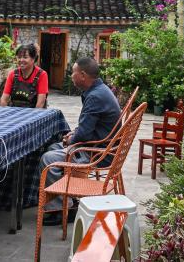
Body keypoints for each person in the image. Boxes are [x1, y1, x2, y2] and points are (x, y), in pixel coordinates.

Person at [38, 56, 121, 225]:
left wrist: (72, 139)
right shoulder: (99, 90)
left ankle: (62, 210)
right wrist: (74, 135)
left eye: (73, 73)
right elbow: (87, 128)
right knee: (53, 147)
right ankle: (66, 199)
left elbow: (83, 134)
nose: (71, 76)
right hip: (100, 144)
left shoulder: (95, 96)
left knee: (48, 159)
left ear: (83, 75)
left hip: (98, 153)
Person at [0, 43, 49, 108]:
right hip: (14, 111)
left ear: (33, 59)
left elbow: (40, 104)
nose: (21, 60)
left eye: (25, 57)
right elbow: (4, 100)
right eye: (19, 57)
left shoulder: (42, 75)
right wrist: (2, 111)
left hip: (34, 112)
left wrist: (34, 114)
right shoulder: (12, 74)